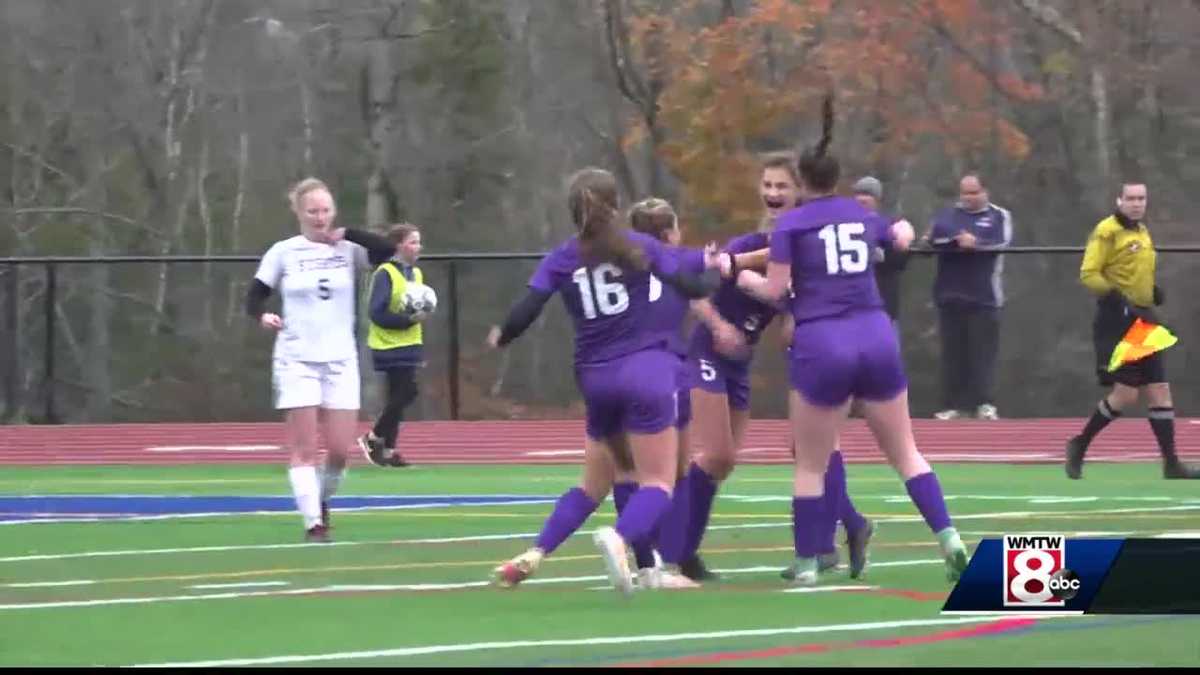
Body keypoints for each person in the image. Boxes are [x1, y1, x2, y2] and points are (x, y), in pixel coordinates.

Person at [735, 97, 968, 585]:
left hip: (824, 340)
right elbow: (900, 237)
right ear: (838, 180)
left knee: (811, 463)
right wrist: (900, 231)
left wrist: (742, 280)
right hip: (876, 333)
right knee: (906, 453)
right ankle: (949, 539)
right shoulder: (861, 216)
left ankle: (805, 565)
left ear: (801, 183)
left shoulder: (792, 223)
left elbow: (777, 291)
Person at [486, 168, 721, 595]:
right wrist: (715, 273)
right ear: (615, 206)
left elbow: (528, 306)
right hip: (644, 372)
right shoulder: (638, 247)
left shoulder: (562, 257)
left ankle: (539, 552)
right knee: (659, 481)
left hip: (595, 378)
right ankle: (620, 538)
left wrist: (503, 334)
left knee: (598, 480)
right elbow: (688, 283)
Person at [673, 152, 873, 583]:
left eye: (782, 186)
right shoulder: (748, 246)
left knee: (804, 448)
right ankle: (677, 550)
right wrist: (719, 322)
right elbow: (697, 289)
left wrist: (797, 320)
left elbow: (792, 307)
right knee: (718, 455)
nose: (772, 193)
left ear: (800, 191)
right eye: (767, 186)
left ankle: (842, 531)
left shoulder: (805, 251)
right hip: (710, 353)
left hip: (743, 364)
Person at [245, 177, 374, 542]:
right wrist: (262, 316)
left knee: (338, 451)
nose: (320, 217)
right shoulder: (283, 251)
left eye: (326, 210)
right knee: (304, 449)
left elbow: (385, 251)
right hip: (297, 357)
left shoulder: (349, 249)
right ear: (299, 213)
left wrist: (350, 233)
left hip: (340, 360)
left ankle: (322, 500)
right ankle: (313, 523)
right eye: (312, 211)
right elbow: (254, 297)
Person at [1066, 181, 1199, 480]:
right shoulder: (1107, 231)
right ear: (1119, 200)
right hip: (1117, 321)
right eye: (1131, 198)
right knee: (1125, 395)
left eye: (1141, 198)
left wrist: (1152, 292)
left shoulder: (1142, 231)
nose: (1137, 203)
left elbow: (1135, 271)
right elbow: (1089, 273)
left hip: (1144, 319)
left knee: (1160, 390)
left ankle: (1171, 464)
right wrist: (1116, 298)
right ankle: (1080, 444)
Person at [928, 173, 1013, 421]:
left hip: (985, 297)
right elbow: (934, 237)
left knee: (983, 353)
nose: (969, 198)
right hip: (950, 295)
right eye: (965, 193)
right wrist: (955, 241)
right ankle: (952, 404)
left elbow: (1001, 242)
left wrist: (976, 243)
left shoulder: (999, 215)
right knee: (953, 353)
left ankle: (984, 403)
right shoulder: (948, 215)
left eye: (974, 193)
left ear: (985, 191)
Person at [356, 223, 429, 468]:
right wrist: (406, 320)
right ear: (398, 245)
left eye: (419, 242)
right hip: (388, 344)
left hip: (411, 343)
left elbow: (415, 308)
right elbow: (376, 313)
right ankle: (373, 437)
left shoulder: (416, 274)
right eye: (412, 242)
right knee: (407, 392)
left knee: (398, 395)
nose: (418, 247)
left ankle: (388, 450)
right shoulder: (385, 273)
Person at [851, 176, 910, 327]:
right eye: (859, 194)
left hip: (884, 302)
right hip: (852, 306)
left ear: (877, 200)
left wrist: (880, 254)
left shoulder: (891, 226)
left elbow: (900, 261)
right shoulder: (845, 227)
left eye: (868, 195)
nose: (862, 199)